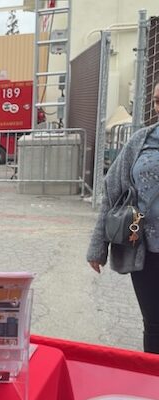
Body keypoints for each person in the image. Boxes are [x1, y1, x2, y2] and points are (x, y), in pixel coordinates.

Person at [88, 82, 159, 354]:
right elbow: (112, 192)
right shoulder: (141, 141)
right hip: (148, 253)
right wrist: (98, 248)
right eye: (156, 101)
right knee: (154, 325)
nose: (158, 108)